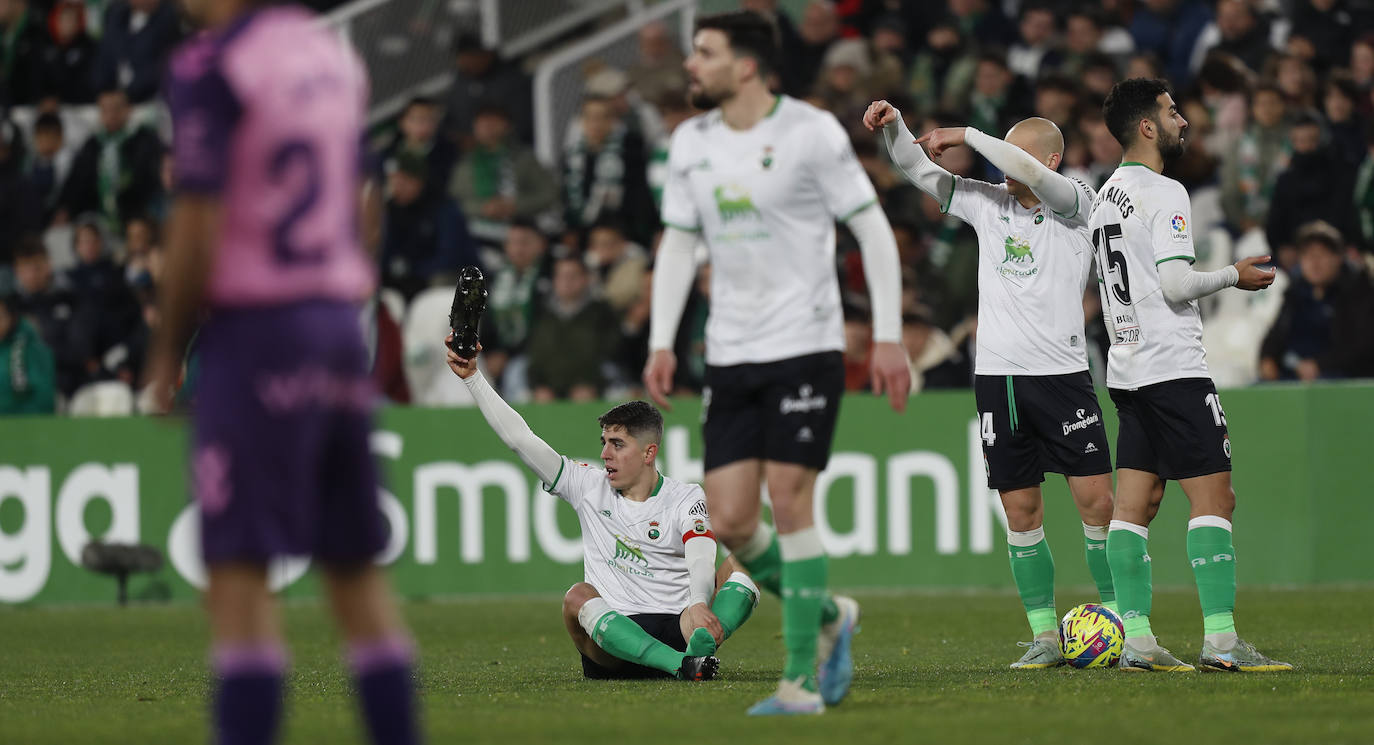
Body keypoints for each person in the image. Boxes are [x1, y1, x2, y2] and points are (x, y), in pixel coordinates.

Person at [145, 1, 421, 743]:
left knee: (239, 580)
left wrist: (170, 350)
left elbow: (196, 221)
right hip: (335, 326)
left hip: (256, 331)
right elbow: (366, 204)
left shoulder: (210, 64)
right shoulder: (330, 55)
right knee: (358, 582)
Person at [644, 10, 909, 715]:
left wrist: (886, 335)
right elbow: (677, 244)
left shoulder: (810, 131)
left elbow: (871, 227)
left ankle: (799, 680)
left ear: (749, 66)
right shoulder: (689, 142)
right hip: (730, 352)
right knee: (730, 520)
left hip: (805, 345)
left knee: (791, 501)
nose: (691, 65)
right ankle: (829, 614)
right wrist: (661, 341)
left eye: (705, 53)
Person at [864, 100, 1117, 669]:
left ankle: (1121, 621)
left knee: (1098, 504)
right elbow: (919, 170)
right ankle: (1045, 637)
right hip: (998, 380)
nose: (1007, 165)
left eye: (1020, 153)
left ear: (1052, 159)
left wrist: (968, 134)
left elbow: (1029, 175)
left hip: (1064, 378)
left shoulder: (1079, 204)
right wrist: (897, 127)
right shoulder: (987, 204)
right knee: (1021, 511)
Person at [1089, 77, 1289, 673]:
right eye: (1172, 112)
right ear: (1147, 126)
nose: (1183, 121)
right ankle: (1222, 644)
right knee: (1215, 499)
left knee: (1135, 507)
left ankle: (1137, 641)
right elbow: (1177, 285)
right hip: (1173, 367)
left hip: (1126, 370)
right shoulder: (1164, 191)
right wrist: (1233, 275)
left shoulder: (1106, 196)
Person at [446, 339, 760, 681]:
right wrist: (473, 377)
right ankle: (681, 664)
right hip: (613, 639)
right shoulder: (587, 485)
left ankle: (699, 651)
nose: (605, 454)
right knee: (576, 597)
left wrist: (699, 601)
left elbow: (701, 554)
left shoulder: (684, 496)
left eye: (618, 444)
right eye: (604, 443)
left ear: (648, 453)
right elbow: (520, 439)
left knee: (748, 557)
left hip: (680, 624)